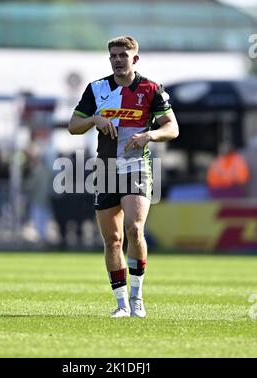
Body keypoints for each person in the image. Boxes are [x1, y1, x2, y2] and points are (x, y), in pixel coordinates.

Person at [68, 36, 179, 318]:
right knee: (113, 239)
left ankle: (137, 297)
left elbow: (172, 128)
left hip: (136, 167)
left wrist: (149, 135)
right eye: (113, 55)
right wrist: (94, 120)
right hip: (105, 169)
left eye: (123, 55)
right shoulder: (96, 89)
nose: (118, 60)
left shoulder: (151, 89)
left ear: (135, 59)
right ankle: (120, 304)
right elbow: (73, 126)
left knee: (134, 229)